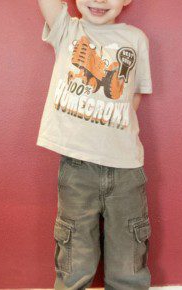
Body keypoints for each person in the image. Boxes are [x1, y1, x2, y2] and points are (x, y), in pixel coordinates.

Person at [37, 0, 153, 289]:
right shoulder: (68, 30)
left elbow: (133, 96)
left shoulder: (136, 39)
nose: (99, 0)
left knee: (129, 256)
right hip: (77, 169)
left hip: (126, 168)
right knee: (75, 254)